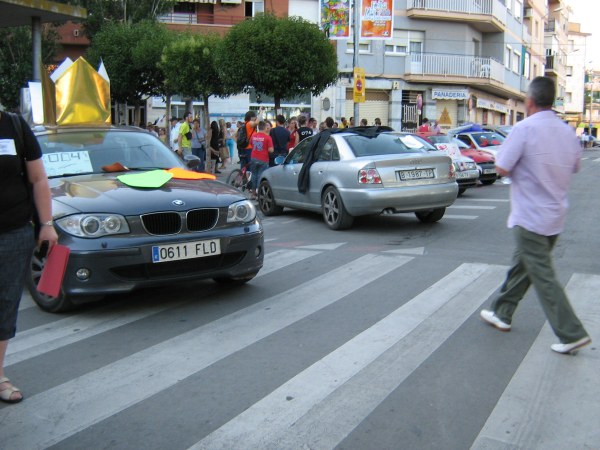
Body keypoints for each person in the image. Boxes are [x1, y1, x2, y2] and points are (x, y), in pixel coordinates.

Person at [479, 76, 591, 355]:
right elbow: (576, 165)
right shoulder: (567, 132)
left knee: (542, 274)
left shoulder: (524, 129)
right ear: (552, 101)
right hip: (555, 216)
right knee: (525, 266)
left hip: (529, 216)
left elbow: (502, 168)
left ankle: (571, 332)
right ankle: (502, 312)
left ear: (529, 101)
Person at [0, 111, 58, 403]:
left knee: (5, 303)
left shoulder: (14, 126)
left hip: (11, 233)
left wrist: (46, 225)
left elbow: (37, 179)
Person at [249, 120, 274, 199]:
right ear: (265, 127)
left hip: (253, 157)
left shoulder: (254, 136)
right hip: (263, 159)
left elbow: (251, 144)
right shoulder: (267, 137)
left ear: (258, 127)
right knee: (261, 176)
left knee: (254, 175)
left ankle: (253, 194)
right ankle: (259, 194)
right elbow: (271, 150)